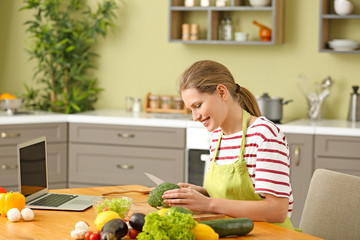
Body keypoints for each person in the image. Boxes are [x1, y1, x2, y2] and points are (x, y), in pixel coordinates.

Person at [162, 60, 294, 230]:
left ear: (222, 92)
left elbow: (276, 210)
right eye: (191, 110)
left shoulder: (264, 134)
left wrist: (208, 204)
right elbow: (235, 197)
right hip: (233, 231)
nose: (195, 117)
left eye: (198, 106)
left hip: (271, 234)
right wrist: (199, 194)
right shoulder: (218, 136)